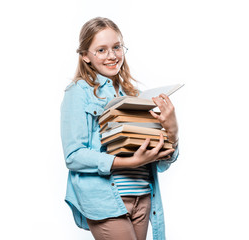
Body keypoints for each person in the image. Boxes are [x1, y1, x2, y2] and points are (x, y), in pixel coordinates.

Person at [60, 17, 179, 240]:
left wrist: (172, 130)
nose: (112, 56)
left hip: (143, 196)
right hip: (107, 200)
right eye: (101, 50)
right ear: (85, 55)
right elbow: (73, 156)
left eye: (116, 47)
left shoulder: (133, 95)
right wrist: (130, 162)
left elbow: (162, 162)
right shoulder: (79, 92)